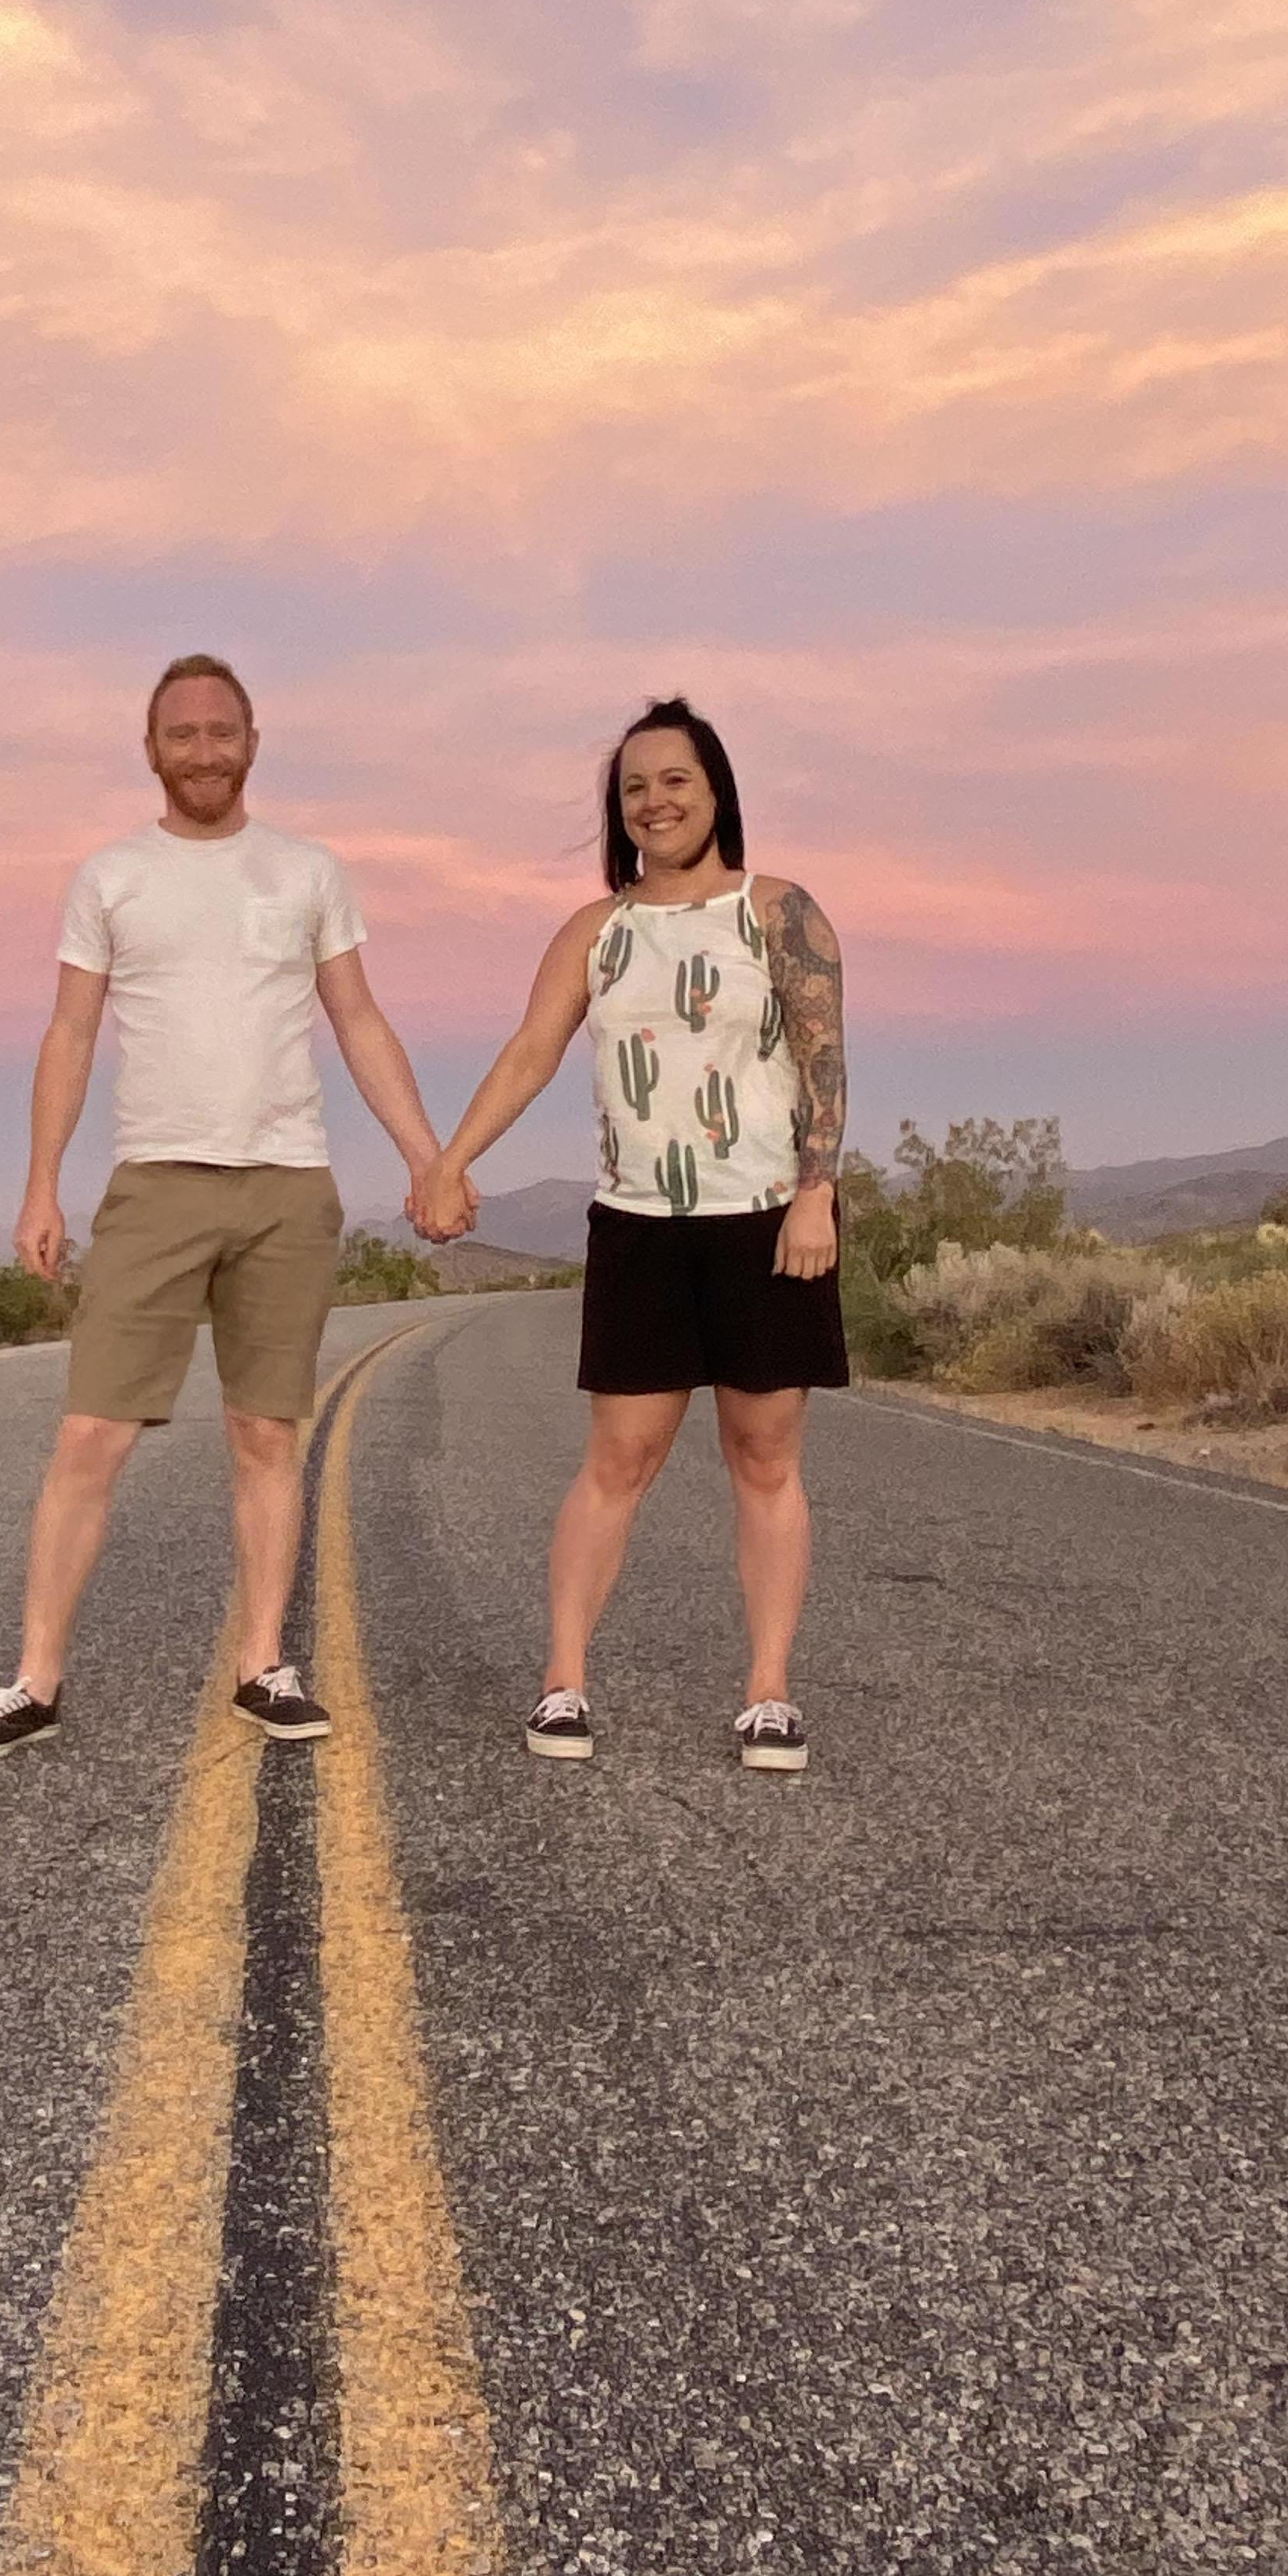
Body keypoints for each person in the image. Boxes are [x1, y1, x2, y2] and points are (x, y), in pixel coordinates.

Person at [0, 654, 459, 1762]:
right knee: (91, 1433)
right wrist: (44, 1180)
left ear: (254, 743)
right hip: (155, 1182)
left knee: (267, 1432)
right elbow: (70, 1033)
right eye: (185, 734)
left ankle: (262, 1665)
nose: (206, 751)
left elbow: (359, 1020)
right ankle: (34, 1680)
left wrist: (428, 1156)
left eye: (225, 731)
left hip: (285, 1184)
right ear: (152, 749)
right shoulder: (111, 878)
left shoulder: (307, 872)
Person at [413, 697, 847, 1770]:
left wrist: (816, 1191)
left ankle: (769, 1693)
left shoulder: (781, 913)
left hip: (763, 1225)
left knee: (764, 1456)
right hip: (641, 1227)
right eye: (636, 789)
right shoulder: (596, 933)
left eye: (675, 783)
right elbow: (530, 1052)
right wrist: (450, 1158)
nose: (655, 803)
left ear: (715, 793)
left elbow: (824, 1058)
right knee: (619, 1458)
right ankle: (564, 1682)